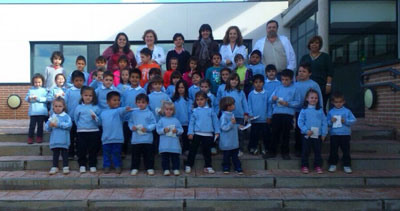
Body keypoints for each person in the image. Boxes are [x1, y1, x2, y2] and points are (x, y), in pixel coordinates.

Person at [267, 69, 300, 160]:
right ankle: (272, 151)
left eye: (287, 80)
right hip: (277, 114)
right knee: (274, 133)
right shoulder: (278, 88)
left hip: (288, 114)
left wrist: (288, 104)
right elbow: (270, 100)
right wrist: (273, 99)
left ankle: (285, 152)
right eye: (283, 79)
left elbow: (298, 102)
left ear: (291, 79)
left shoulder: (295, 89)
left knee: (286, 134)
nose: (284, 82)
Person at [185, 91, 220, 174]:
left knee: (207, 151)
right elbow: (191, 123)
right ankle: (188, 165)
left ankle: (208, 166)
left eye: (201, 99)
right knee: (192, 150)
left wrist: (217, 131)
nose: (199, 101)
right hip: (197, 134)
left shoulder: (210, 110)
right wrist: (190, 132)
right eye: (197, 100)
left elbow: (215, 121)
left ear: (206, 100)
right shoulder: (195, 111)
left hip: (208, 134)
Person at [294, 63, 323, 157]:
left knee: (310, 130)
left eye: (304, 71)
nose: (301, 73)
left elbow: (319, 97)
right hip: (299, 111)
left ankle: (310, 149)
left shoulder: (314, 84)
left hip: (312, 111)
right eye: (300, 71)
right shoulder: (295, 84)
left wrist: (320, 108)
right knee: (299, 130)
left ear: (309, 73)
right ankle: (299, 149)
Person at [299, 35, 334, 112]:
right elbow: (299, 72)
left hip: (322, 86)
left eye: (316, 43)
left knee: (321, 106)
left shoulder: (325, 57)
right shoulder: (304, 57)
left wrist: (328, 85)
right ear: (309, 45)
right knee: (305, 107)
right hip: (306, 87)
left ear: (320, 45)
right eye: (312, 43)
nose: (314, 44)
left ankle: (321, 123)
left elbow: (330, 72)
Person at [100, 91, 131, 174]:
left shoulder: (118, 111)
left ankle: (118, 166)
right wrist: (94, 118)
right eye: (114, 100)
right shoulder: (103, 113)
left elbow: (123, 110)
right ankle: (106, 166)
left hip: (117, 138)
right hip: (106, 138)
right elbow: (99, 122)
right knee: (106, 154)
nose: (117, 102)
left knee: (116, 153)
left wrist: (126, 109)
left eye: (118, 100)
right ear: (107, 102)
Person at [297, 89, 327, 174]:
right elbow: (300, 122)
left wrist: (324, 133)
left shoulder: (320, 110)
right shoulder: (304, 110)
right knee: (305, 151)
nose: (314, 99)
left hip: (318, 135)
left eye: (316, 98)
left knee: (318, 151)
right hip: (306, 135)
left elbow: (324, 122)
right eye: (312, 97)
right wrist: (306, 130)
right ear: (307, 98)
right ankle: (304, 166)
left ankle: (318, 166)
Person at [74, 86, 101, 173]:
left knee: (93, 149)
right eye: (86, 95)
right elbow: (76, 119)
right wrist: (80, 127)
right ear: (82, 96)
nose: (88, 97)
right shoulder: (78, 107)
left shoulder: (96, 108)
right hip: (82, 132)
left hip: (93, 131)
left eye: (90, 95)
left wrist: (95, 118)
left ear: (93, 97)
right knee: (81, 149)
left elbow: (100, 122)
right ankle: (82, 164)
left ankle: (92, 164)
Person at [220, 73, 249, 156]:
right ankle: (229, 149)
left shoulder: (241, 92)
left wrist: (246, 113)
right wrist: (223, 113)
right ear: (229, 81)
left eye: (236, 80)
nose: (234, 81)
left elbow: (245, 103)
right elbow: (223, 103)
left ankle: (240, 149)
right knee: (230, 133)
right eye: (232, 79)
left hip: (239, 116)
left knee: (240, 134)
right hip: (229, 116)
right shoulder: (225, 92)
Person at [327, 92, 357, 174]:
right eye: (336, 102)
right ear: (333, 102)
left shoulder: (347, 111)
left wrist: (346, 121)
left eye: (340, 102)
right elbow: (327, 123)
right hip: (334, 134)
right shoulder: (331, 112)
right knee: (333, 150)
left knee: (346, 150)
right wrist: (331, 121)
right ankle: (333, 164)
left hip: (345, 134)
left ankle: (347, 165)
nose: (338, 104)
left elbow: (354, 120)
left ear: (343, 102)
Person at [129, 93, 156, 176]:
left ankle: (150, 168)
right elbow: (130, 122)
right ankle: (134, 168)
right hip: (136, 139)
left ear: (147, 103)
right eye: (139, 102)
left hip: (147, 139)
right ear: (136, 103)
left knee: (148, 155)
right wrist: (132, 127)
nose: (141, 104)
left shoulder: (150, 113)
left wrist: (147, 128)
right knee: (135, 155)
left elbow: (154, 124)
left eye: (143, 102)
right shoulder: (133, 113)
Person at [121, 69, 146, 157]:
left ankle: (140, 152)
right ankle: (123, 151)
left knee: (138, 135)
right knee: (125, 136)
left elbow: (144, 103)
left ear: (140, 78)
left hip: (138, 118)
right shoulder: (126, 91)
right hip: (127, 118)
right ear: (129, 78)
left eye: (137, 77)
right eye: (132, 77)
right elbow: (123, 103)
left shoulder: (142, 91)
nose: (134, 79)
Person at [45, 97, 72, 175]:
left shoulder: (66, 116)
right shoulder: (52, 117)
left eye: (60, 106)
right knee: (55, 154)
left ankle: (65, 166)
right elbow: (47, 128)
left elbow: (69, 125)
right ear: (53, 107)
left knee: (65, 154)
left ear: (63, 107)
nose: (57, 108)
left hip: (64, 140)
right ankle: (54, 166)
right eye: (56, 106)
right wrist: (50, 125)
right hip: (55, 140)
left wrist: (58, 124)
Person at [156, 101, 184, 176]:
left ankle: (176, 169)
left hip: (174, 144)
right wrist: (163, 130)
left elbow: (181, 130)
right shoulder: (161, 120)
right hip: (164, 144)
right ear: (163, 110)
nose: (168, 111)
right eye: (167, 109)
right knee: (165, 158)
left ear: (173, 111)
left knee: (175, 157)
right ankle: (166, 169)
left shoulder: (176, 120)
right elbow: (158, 130)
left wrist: (177, 131)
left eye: (170, 109)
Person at [247, 74, 271, 155]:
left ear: (263, 83)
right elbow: (249, 106)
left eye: (260, 82)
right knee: (254, 135)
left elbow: (269, 106)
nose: (258, 84)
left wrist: (269, 116)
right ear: (253, 84)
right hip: (255, 120)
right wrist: (251, 115)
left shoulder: (267, 93)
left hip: (265, 120)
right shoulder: (251, 94)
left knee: (266, 135)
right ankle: (252, 148)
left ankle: (267, 148)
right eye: (256, 82)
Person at [219, 96, 243, 174]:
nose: (234, 106)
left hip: (233, 140)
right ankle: (226, 167)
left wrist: (238, 126)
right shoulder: (224, 116)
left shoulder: (232, 114)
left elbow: (233, 125)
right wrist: (231, 123)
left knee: (235, 155)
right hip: (226, 141)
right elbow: (223, 127)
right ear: (228, 107)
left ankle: (238, 167)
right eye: (233, 104)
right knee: (226, 155)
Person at [64, 71, 85, 159]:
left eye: (80, 80)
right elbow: (65, 103)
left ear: (83, 81)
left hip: (82, 119)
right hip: (71, 118)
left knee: (80, 138)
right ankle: (71, 153)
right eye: (76, 80)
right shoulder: (69, 91)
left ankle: (80, 153)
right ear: (72, 81)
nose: (79, 82)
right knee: (71, 137)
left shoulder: (85, 91)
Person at [26, 73, 48, 144]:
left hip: (41, 112)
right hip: (33, 111)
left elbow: (47, 99)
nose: (37, 84)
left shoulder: (45, 90)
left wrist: (38, 98)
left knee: (40, 126)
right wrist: (29, 98)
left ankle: (39, 137)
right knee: (32, 126)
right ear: (33, 82)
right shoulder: (31, 90)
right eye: (35, 82)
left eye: (39, 82)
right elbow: (26, 98)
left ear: (42, 82)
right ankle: (30, 137)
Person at [171, 80, 191, 155]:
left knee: (185, 140)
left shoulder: (189, 100)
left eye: (182, 87)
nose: (180, 89)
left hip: (185, 123)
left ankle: (185, 155)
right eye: (179, 87)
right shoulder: (173, 100)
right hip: (175, 123)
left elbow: (190, 113)